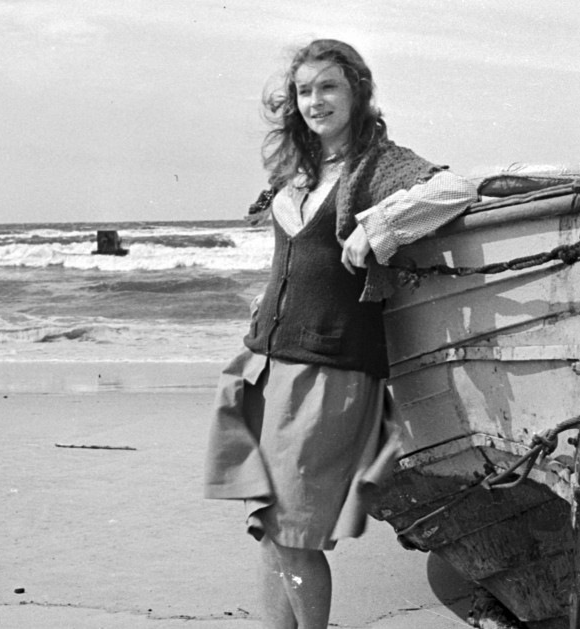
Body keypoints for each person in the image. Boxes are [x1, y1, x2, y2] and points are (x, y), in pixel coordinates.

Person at [203, 39, 477, 629]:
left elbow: (455, 190)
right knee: (272, 529)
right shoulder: (296, 169)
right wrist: (269, 298)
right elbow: (298, 259)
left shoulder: (378, 164)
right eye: (304, 90)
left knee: (294, 533)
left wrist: (380, 225)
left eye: (328, 87)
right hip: (269, 362)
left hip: (331, 369)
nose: (315, 101)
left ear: (358, 92)